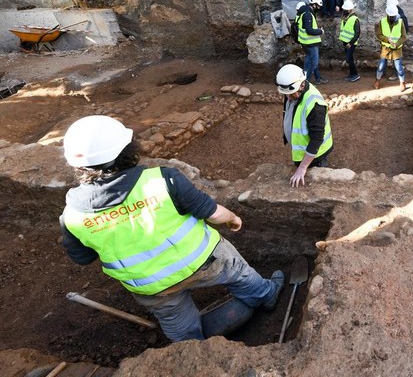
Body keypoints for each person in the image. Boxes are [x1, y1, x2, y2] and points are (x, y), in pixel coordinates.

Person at [59, 115, 284, 342]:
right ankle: (267, 295)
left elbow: (83, 258)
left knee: (177, 323)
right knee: (238, 274)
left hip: (150, 285)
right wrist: (233, 218)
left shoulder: (72, 215)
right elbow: (213, 213)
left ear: (76, 164)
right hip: (203, 260)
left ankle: (190, 348)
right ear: (127, 149)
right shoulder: (163, 180)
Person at [276, 64, 334, 187]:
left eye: (292, 94)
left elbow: (316, 140)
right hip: (304, 150)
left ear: (302, 85)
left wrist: (302, 168)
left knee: (315, 185)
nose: (289, 98)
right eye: (287, 94)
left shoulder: (315, 105)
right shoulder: (292, 90)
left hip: (316, 155)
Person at [374, 4, 407, 92]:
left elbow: (404, 37)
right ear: (388, 15)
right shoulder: (382, 22)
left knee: (398, 67)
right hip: (386, 48)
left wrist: (397, 43)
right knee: (381, 66)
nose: (393, 18)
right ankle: (377, 80)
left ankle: (402, 82)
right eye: (391, 16)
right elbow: (379, 35)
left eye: (394, 16)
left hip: (397, 49)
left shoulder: (400, 22)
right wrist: (387, 40)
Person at [297, 0, 327, 84]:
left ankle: (317, 79)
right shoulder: (307, 14)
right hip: (310, 43)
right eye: (318, 6)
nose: (319, 8)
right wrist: (320, 31)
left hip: (306, 43)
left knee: (309, 61)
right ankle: (306, 82)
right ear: (314, 5)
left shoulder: (304, 12)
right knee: (314, 63)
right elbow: (309, 30)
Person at [338, 0, 361, 82]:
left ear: (350, 10)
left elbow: (357, 33)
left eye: (345, 9)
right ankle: (352, 74)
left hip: (351, 43)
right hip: (345, 42)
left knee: (348, 59)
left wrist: (350, 43)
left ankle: (355, 74)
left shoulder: (355, 19)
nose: (344, 10)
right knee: (349, 58)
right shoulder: (345, 18)